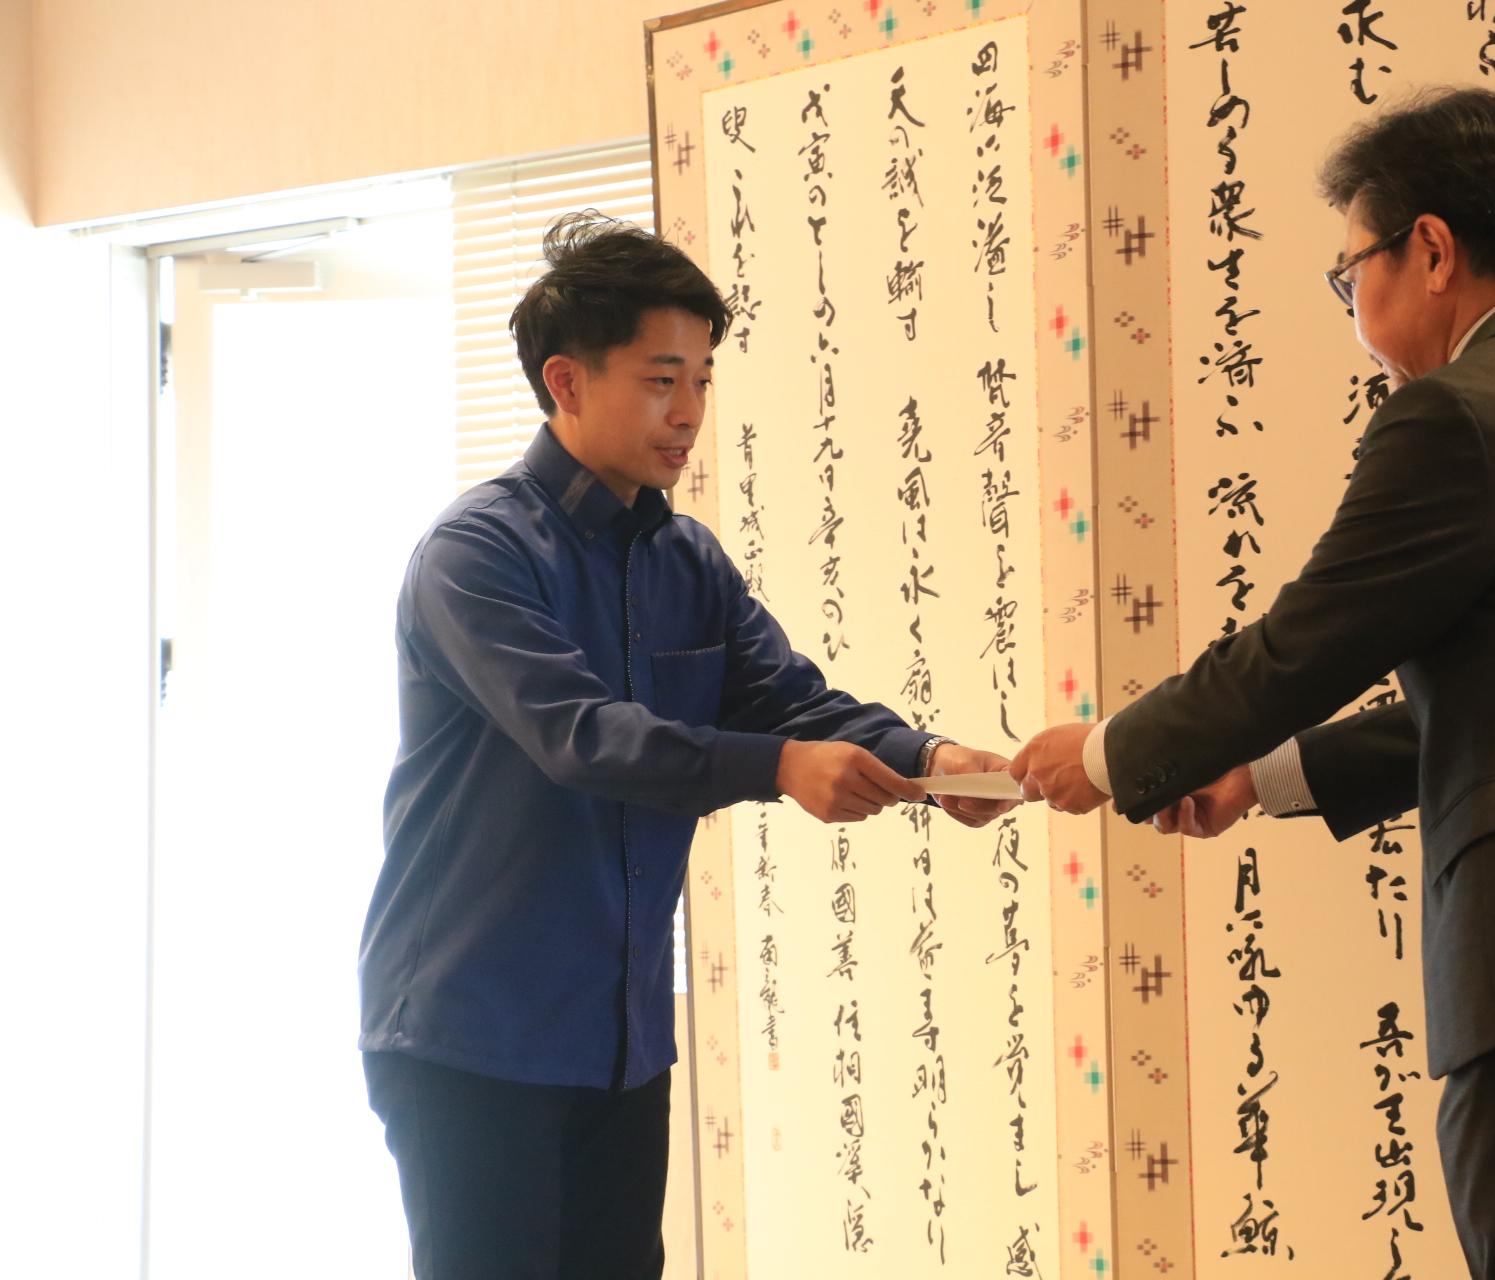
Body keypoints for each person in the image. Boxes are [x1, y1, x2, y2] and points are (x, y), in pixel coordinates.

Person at [1011, 88, 1495, 1279]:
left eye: (1352, 276)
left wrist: (1109, 752)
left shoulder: (1462, 413)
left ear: (1430, 250)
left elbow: (1300, 647)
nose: (1357, 318)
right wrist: (1259, 777)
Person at [359, 210, 1014, 1280]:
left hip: (617, 1038)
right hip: (469, 1033)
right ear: (567, 382)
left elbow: (786, 698)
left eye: (703, 380)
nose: (691, 412)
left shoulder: (687, 558)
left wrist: (930, 761)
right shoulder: (474, 554)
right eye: (663, 380)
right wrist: (777, 769)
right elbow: (581, 736)